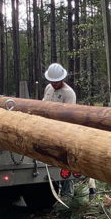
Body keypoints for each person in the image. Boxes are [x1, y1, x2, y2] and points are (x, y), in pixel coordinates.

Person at [42, 62, 77, 196]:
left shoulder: (68, 93)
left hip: (62, 132)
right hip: (47, 130)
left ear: (62, 78)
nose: (54, 83)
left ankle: (67, 194)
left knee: (64, 162)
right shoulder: (48, 88)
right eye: (52, 81)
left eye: (56, 81)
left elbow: (69, 117)